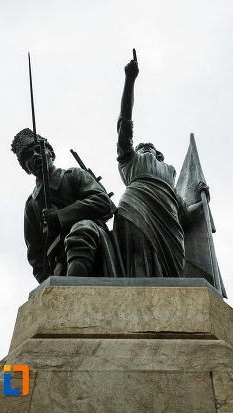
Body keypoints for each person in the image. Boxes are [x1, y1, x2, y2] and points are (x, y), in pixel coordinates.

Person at [114, 54, 208, 277]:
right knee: (138, 258)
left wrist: (204, 201)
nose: (145, 148)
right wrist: (130, 80)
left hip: (169, 216)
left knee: (171, 272)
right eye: (141, 146)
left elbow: (185, 212)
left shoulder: (169, 175)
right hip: (136, 204)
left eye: (150, 147)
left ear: (160, 155)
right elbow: (124, 121)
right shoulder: (129, 160)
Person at [11, 128, 114, 283]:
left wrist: (61, 216)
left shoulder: (74, 175)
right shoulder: (32, 205)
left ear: (51, 154)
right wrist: (47, 283)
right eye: (28, 156)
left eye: (38, 150)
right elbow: (36, 253)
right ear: (26, 169)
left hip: (94, 240)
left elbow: (102, 201)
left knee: (81, 228)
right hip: (60, 261)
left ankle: (72, 291)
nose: (35, 156)